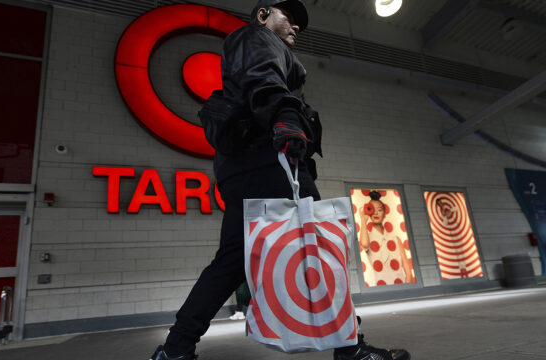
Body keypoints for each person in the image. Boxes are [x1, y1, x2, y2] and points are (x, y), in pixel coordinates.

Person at [150, 1, 410, 359]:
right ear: (263, 14)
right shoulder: (257, 37)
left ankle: (175, 350)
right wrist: (286, 117)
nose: (296, 28)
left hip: (246, 168)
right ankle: (351, 352)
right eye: (290, 18)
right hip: (273, 160)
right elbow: (263, 76)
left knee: (230, 262)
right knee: (319, 249)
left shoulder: (255, 44)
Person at [359, 191, 413, 285]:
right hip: (380, 287)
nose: (376, 213)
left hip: (400, 286)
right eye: (372, 209)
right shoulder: (368, 237)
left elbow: (408, 272)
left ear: (384, 214)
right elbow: (364, 244)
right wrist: (363, 220)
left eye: (379, 210)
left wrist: (406, 289)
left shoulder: (396, 239)